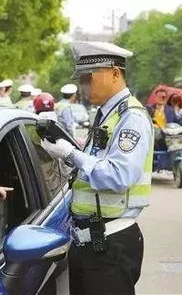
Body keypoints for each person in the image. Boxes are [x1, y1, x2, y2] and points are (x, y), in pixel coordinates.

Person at [40, 41, 153, 295]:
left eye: (89, 78)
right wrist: (67, 155)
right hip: (90, 244)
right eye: (82, 79)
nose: (84, 85)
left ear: (115, 73)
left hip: (110, 245)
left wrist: (71, 154)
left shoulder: (130, 117)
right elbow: (94, 166)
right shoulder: (105, 114)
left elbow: (118, 175)